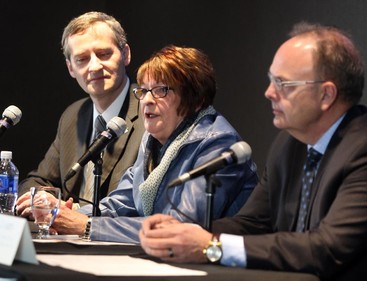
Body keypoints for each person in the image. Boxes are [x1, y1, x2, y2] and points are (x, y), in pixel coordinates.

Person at [139, 22, 367, 281]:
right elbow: (252, 224)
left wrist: (212, 247)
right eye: (271, 80)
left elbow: (327, 248)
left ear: (326, 94)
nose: (269, 92)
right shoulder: (288, 144)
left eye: (283, 83)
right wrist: (184, 231)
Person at [19, 45, 258, 243]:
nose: (147, 101)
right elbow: (120, 202)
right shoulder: (153, 139)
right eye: (143, 91)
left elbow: (179, 227)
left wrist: (87, 225)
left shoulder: (217, 144)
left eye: (161, 90)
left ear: (195, 97)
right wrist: (64, 216)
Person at [16, 12, 144, 207]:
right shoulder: (73, 115)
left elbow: (140, 201)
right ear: (70, 68)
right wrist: (44, 201)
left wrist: (75, 212)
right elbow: (38, 181)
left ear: (125, 54)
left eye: (103, 54)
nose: (94, 66)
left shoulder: (150, 110)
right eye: (82, 59)